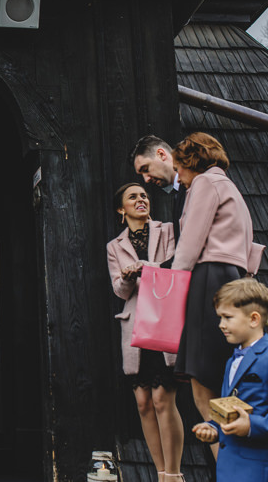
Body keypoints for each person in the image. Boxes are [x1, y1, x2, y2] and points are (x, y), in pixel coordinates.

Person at [170, 132, 264, 458]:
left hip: (207, 277)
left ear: (191, 160)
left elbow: (192, 240)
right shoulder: (231, 187)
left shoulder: (204, 184)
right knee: (225, 376)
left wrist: (173, 287)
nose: (177, 176)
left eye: (179, 167)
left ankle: (230, 466)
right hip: (234, 280)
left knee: (202, 383)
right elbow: (251, 245)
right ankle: (238, 463)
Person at [192, 278, 268, 480]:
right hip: (229, 470)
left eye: (228, 317)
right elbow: (231, 408)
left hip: (263, 473)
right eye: (220, 317)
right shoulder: (232, 360)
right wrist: (214, 427)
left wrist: (251, 426)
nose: (221, 325)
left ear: (254, 319)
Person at [107, 183, 184, 482]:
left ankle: (173, 475)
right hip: (135, 324)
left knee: (164, 398)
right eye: (133, 197)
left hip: (163, 320)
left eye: (144, 196)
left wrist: (145, 267)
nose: (141, 200)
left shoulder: (166, 231)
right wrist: (128, 276)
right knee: (143, 402)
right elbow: (119, 289)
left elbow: (177, 268)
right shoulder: (114, 246)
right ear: (121, 210)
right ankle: (160, 472)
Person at [131, 136, 186, 242]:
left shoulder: (195, 184)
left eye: (146, 169)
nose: (146, 179)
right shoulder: (178, 192)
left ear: (161, 154)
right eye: (141, 174)